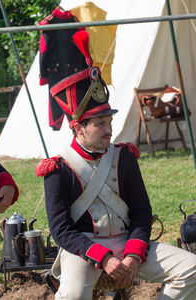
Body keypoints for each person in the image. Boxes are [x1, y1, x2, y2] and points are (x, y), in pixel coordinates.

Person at [35, 33, 196, 300]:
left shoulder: (124, 157)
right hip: (84, 251)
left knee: (191, 268)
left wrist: (133, 254)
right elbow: (61, 230)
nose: (110, 130)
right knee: (72, 296)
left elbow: (142, 212)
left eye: (109, 122)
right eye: (100, 124)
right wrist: (104, 258)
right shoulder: (58, 169)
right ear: (78, 128)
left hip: (127, 244)